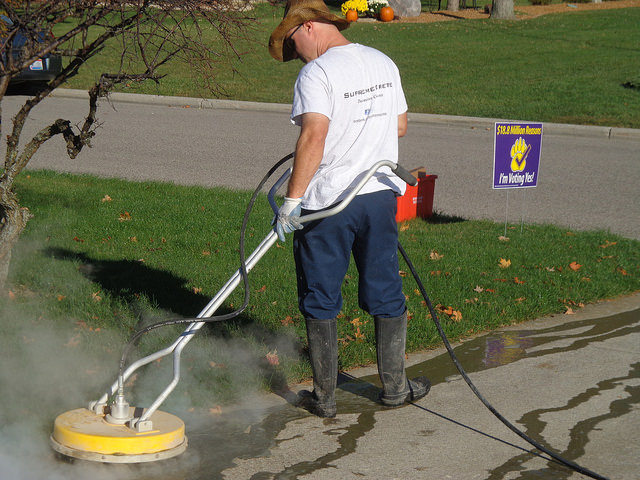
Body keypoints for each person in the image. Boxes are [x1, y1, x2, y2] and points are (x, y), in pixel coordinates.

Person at [268, 0, 430, 418]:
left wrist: (291, 202)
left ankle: (324, 399)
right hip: (378, 196)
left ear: (306, 28)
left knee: (321, 295)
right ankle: (395, 388)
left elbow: (314, 137)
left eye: (292, 44)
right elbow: (399, 125)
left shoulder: (317, 73)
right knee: (384, 287)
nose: (296, 55)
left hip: (329, 205)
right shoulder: (381, 61)